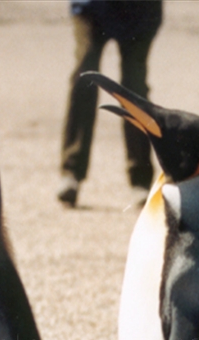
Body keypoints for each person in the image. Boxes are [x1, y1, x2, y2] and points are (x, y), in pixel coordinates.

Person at [58, 0, 163, 208]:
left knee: (134, 84)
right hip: (91, 7)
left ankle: (140, 179)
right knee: (85, 73)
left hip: (140, 11)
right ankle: (71, 173)